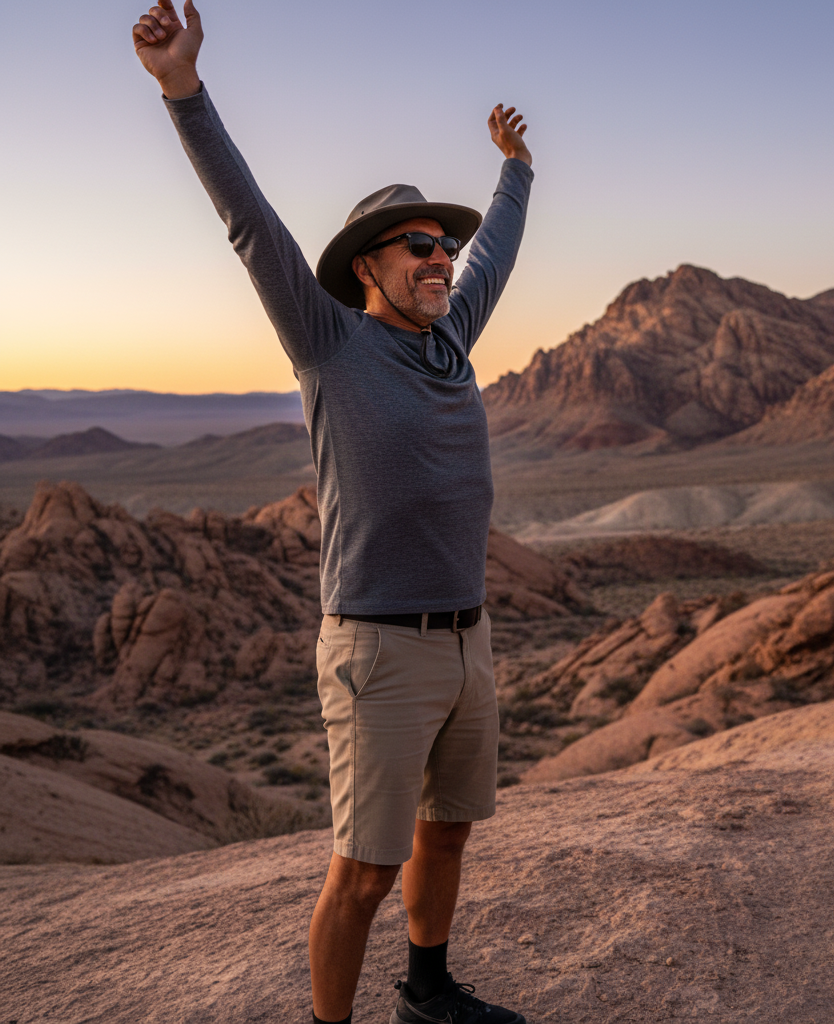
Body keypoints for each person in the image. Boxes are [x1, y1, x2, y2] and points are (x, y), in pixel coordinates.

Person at [131, 3, 534, 1023]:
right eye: (416, 246)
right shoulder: (330, 344)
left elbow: (499, 253)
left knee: (448, 834)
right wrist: (183, 89)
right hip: (379, 650)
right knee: (362, 869)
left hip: (467, 638)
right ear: (367, 265)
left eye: (444, 245)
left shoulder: (453, 333)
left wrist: (514, 170)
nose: (440, 258)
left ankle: (429, 994)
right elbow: (251, 223)